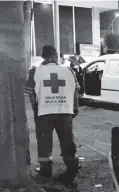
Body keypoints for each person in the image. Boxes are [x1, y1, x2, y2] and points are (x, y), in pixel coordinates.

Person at [25, 45, 81, 182]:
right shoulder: (68, 71)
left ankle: (45, 171)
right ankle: (72, 167)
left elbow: (31, 94)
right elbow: (76, 90)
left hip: (44, 112)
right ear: (55, 55)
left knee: (44, 141)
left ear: (43, 56)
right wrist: (75, 107)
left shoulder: (35, 71)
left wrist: (35, 109)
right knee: (67, 140)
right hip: (64, 111)